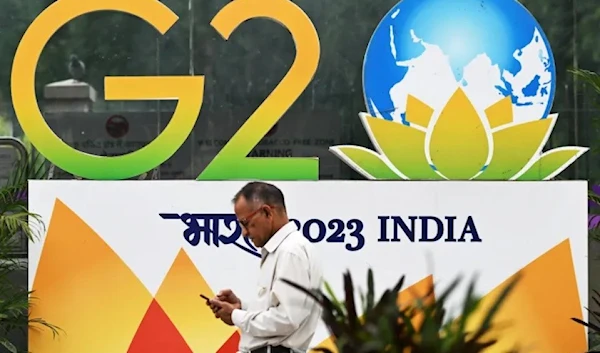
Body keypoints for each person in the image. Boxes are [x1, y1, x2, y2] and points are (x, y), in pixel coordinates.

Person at [208, 181, 323, 353]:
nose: (244, 233)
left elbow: (287, 319)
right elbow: (276, 312)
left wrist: (235, 315)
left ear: (267, 212)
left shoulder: (291, 252)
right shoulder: (283, 250)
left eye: (245, 223)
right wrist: (242, 307)